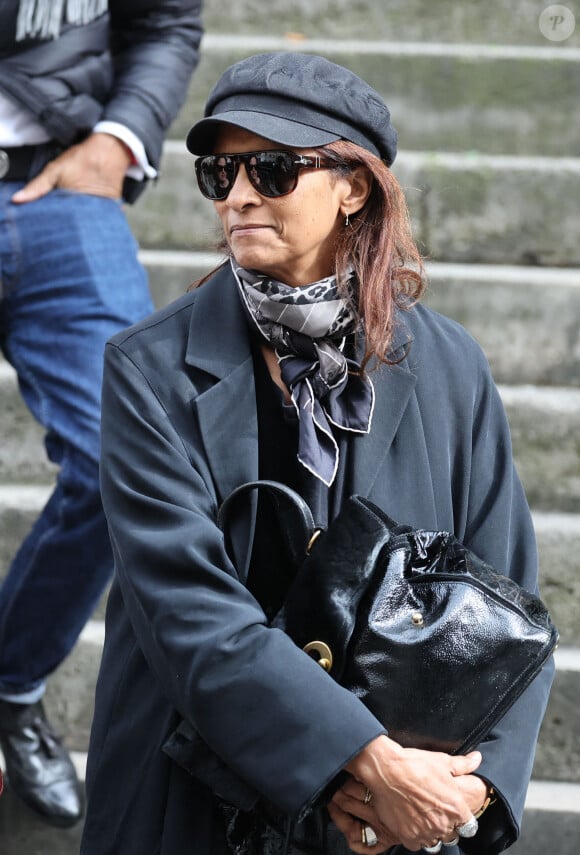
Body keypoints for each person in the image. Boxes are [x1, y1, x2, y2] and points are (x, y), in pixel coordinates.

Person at [80, 52, 554, 855]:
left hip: (394, 827)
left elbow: (512, 602)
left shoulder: (452, 368)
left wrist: (469, 788)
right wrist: (361, 763)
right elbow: (192, 617)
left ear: (353, 186)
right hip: (188, 803)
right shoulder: (148, 369)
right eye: (219, 172)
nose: (238, 195)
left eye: (270, 168)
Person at [0, 0, 203, 829]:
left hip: (63, 186)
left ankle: (12, 685)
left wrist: (119, 138)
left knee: (130, 457)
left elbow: (166, 20)